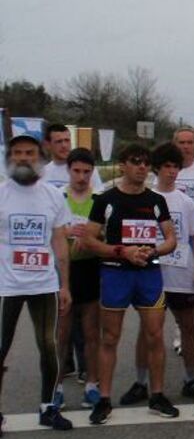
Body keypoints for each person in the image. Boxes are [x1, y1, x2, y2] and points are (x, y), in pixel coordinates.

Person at [83, 144, 178, 424]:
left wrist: (154, 250)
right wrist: (121, 251)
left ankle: (157, 395)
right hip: (116, 273)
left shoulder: (156, 200)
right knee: (110, 337)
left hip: (148, 273)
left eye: (146, 162)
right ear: (123, 165)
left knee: (155, 335)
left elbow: (171, 239)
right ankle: (104, 399)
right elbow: (89, 240)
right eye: (135, 162)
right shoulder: (106, 199)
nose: (142, 167)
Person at [0, 133, 73, 434]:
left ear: (39, 157)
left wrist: (65, 285)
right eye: (17, 153)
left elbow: (60, 242)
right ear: (10, 158)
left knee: (49, 346)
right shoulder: (2, 194)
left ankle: (48, 407)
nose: (23, 158)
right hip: (6, 285)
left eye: (29, 153)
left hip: (44, 283)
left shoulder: (52, 195)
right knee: (1, 347)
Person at [146, 143, 194, 399]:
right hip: (154, 276)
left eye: (175, 167)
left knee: (188, 329)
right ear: (156, 169)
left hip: (182, 274)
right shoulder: (146, 198)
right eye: (166, 167)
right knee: (150, 333)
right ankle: (142, 382)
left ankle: (190, 378)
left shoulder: (186, 202)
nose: (171, 172)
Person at [59, 148, 102, 408]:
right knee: (61, 333)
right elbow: (48, 232)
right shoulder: (58, 197)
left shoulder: (98, 199)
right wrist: (66, 232)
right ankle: (55, 388)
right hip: (64, 270)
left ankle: (92, 384)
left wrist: (92, 236)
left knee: (91, 332)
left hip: (90, 269)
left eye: (87, 171)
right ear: (68, 170)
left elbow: (106, 234)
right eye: (76, 171)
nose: (81, 177)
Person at [40, 123, 103, 191]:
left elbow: (98, 194)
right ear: (47, 144)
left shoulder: (85, 168)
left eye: (67, 140)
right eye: (59, 141)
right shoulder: (42, 173)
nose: (64, 145)